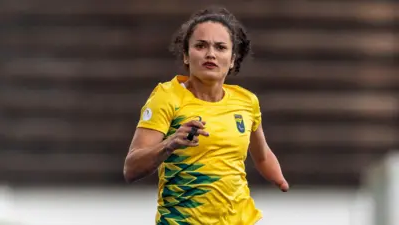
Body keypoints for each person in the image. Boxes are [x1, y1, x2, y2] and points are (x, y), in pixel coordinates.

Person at [123, 6, 289, 225]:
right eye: (201, 45)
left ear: (232, 60)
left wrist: (280, 181)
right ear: (186, 54)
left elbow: (262, 155)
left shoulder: (247, 101)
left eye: (220, 47)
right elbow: (131, 168)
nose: (210, 54)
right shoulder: (166, 97)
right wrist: (170, 144)